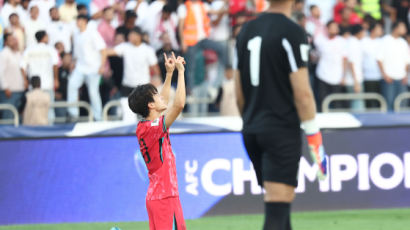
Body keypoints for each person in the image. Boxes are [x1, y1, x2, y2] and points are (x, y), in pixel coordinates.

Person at [235, 0, 327, 229]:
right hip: (280, 130)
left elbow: (238, 90)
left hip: (252, 129)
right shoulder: (292, 32)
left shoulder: (247, 29)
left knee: (280, 207)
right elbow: (303, 93)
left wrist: (250, 120)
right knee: (277, 212)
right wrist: (315, 138)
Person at [128, 53, 186, 230]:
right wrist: (181, 73)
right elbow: (178, 105)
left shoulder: (147, 127)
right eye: (156, 95)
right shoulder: (152, 128)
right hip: (164, 199)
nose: (161, 96)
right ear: (150, 105)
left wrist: (169, 74)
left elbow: (165, 103)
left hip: (163, 197)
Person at [68, 14, 106, 121]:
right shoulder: (76, 34)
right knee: (72, 85)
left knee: (93, 92)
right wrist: (73, 62)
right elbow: (76, 52)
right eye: (77, 20)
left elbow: (103, 50)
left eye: (80, 19)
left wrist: (102, 66)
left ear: (85, 21)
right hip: (80, 67)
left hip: (93, 68)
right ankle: (73, 114)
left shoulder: (92, 33)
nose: (78, 22)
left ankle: (98, 117)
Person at [107, 27, 160, 97]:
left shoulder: (148, 50)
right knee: (125, 106)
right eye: (129, 35)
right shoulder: (125, 46)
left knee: (142, 107)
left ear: (139, 36)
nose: (130, 37)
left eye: (132, 35)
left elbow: (155, 68)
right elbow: (109, 52)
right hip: (127, 85)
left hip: (143, 86)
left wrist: (158, 80)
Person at [21, 30, 59, 121]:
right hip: (47, 84)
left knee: (32, 109)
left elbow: (22, 67)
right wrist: (56, 79)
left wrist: (25, 80)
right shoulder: (50, 49)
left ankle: (33, 131)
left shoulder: (29, 49)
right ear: (44, 37)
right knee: (49, 108)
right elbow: (55, 65)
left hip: (34, 85)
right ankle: (50, 131)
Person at [377, 21, 410, 111]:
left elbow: (407, 61)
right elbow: (379, 59)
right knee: (389, 104)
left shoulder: (403, 42)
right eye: (402, 27)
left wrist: (406, 76)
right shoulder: (385, 40)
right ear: (396, 28)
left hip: (401, 78)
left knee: (402, 103)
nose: (405, 30)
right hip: (389, 78)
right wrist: (385, 75)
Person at [315, 21, 348, 109]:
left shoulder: (342, 41)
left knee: (337, 102)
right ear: (327, 29)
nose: (334, 29)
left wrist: (343, 76)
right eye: (332, 27)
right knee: (322, 101)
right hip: (322, 75)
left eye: (335, 27)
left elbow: (345, 59)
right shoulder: (321, 41)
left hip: (337, 76)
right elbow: (316, 56)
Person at [0, 33, 26, 119]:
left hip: (20, 90)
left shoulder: (18, 54)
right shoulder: (4, 54)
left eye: (14, 39)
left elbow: (22, 69)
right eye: (11, 40)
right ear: (6, 42)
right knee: (8, 117)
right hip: (9, 92)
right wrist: (5, 87)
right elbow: (1, 72)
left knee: (19, 117)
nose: (14, 42)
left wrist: (25, 81)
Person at [362, 22, 383, 108]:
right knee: (369, 101)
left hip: (380, 76)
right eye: (379, 29)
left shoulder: (382, 41)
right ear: (373, 30)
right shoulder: (363, 41)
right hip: (367, 76)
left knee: (380, 101)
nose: (381, 31)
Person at [345, 24, 366, 111]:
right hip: (354, 80)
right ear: (359, 32)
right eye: (363, 32)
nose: (365, 34)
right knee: (357, 105)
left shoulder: (355, 42)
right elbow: (351, 63)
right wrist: (356, 81)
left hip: (356, 79)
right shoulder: (352, 43)